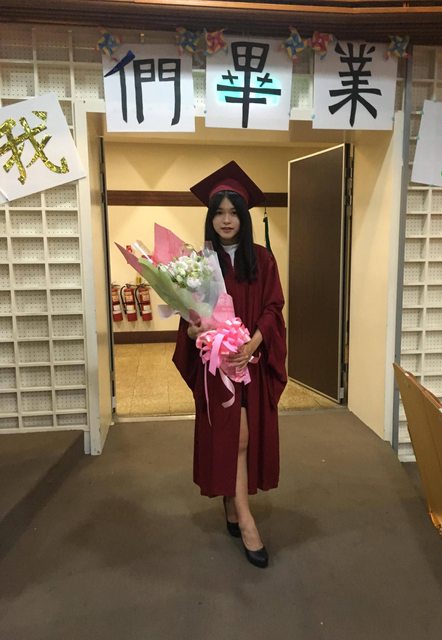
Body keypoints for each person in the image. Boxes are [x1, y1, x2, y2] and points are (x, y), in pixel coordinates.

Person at [173, 161, 287, 569]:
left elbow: (273, 307)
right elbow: (190, 319)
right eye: (219, 212)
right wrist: (197, 333)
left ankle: (230, 500)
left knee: (243, 436)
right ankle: (246, 517)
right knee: (236, 437)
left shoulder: (263, 259)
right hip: (216, 366)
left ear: (243, 216)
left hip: (250, 360)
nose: (226, 220)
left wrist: (254, 341)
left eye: (233, 212)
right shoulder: (199, 264)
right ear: (210, 217)